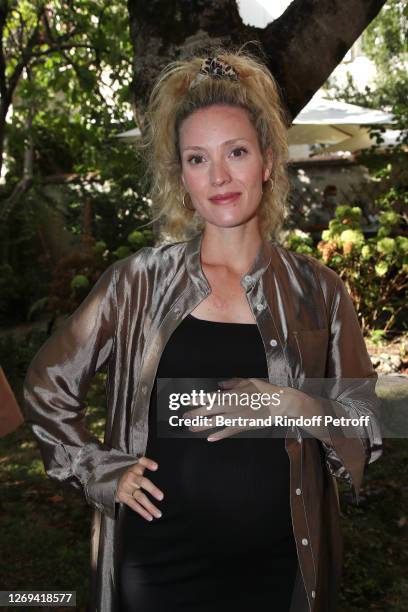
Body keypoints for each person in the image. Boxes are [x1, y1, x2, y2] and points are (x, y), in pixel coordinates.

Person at [23, 48, 383, 612]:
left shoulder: (321, 292)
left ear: (267, 160)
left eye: (236, 152)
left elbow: (367, 426)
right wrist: (98, 468)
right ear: (181, 177)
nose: (218, 176)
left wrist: (296, 404)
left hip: (279, 573)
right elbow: (47, 387)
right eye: (197, 159)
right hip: (157, 572)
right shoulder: (134, 284)